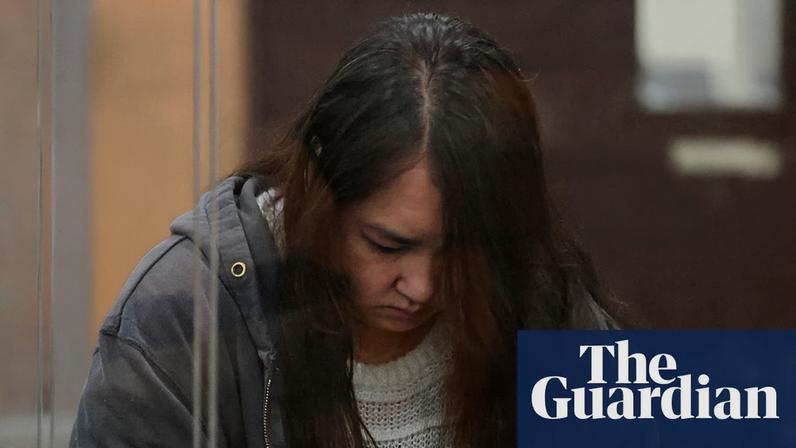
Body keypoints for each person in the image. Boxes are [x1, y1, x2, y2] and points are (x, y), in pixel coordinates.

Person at [70, 12, 617, 448]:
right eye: (387, 244)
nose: (423, 287)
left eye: (461, 250)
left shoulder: (537, 291)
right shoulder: (185, 314)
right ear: (318, 193)